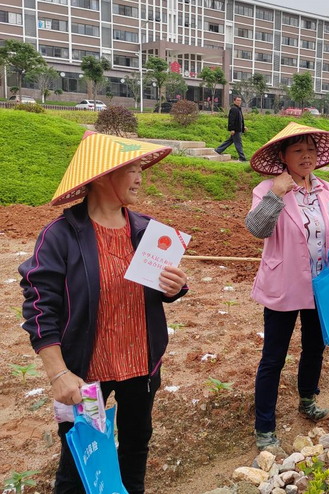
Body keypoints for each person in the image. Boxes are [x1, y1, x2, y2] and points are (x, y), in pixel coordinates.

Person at [19, 132, 189, 494]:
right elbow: (39, 307)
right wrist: (58, 374)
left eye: (141, 167)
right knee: (83, 463)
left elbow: (159, 287)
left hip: (140, 367)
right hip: (86, 380)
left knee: (133, 452)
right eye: (131, 168)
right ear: (100, 176)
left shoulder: (146, 231)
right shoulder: (61, 236)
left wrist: (173, 286)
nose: (140, 176)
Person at [245, 122, 329, 452]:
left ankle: (307, 399)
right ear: (283, 156)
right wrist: (277, 194)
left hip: (321, 284)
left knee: (314, 346)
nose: (307, 156)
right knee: (273, 357)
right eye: (298, 150)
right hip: (284, 285)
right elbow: (257, 229)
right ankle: (264, 427)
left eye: (311, 149)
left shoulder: (328, 189)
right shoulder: (268, 189)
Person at [215, 95, 248, 161]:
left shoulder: (238, 109)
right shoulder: (233, 109)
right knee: (238, 143)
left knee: (230, 141)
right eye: (238, 100)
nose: (239, 102)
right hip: (235, 130)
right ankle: (242, 158)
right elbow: (231, 120)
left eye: (240, 100)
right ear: (234, 101)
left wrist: (243, 126)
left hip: (238, 129)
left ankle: (218, 150)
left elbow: (240, 120)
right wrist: (232, 129)